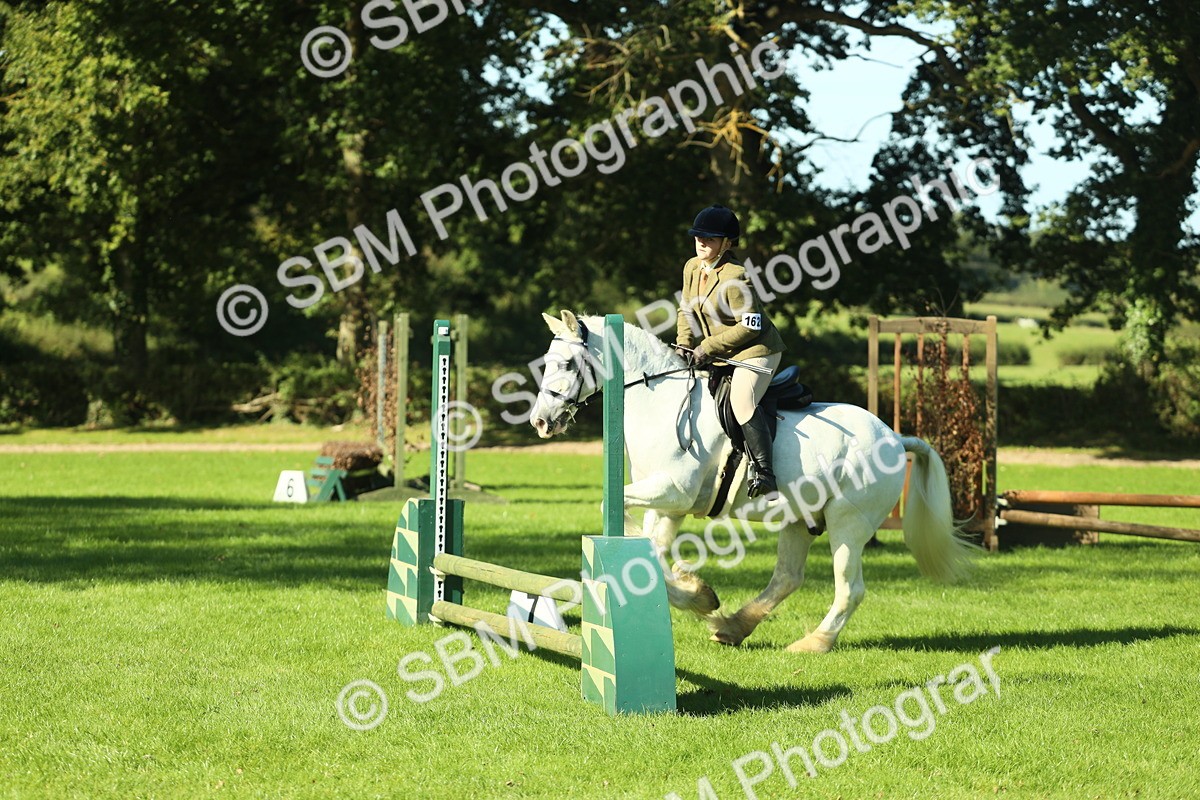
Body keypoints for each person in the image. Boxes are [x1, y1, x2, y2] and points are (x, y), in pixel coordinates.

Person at [675, 204, 786, 498]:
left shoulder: (736, 276)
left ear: (726, 243)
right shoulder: (692, 267)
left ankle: (765, 473)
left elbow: (751, 325)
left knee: (741, 401)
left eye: (709, 239)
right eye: (698, 236)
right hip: (725, 353)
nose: (701, 242)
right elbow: (686, 309)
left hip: (756, 350)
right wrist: (684, 342)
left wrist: (707, 346)